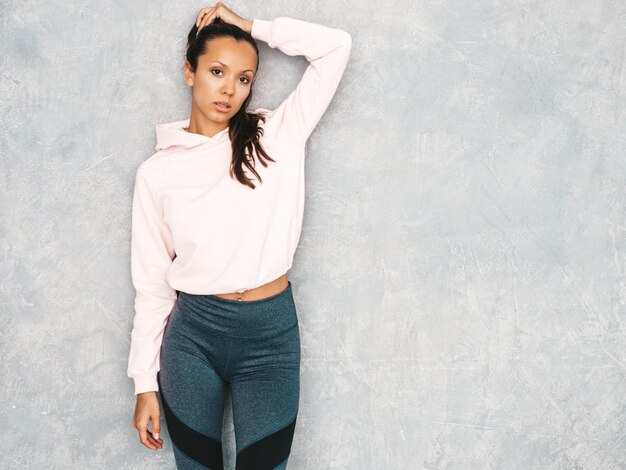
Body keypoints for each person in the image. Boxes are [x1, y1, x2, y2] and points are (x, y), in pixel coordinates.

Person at [127, 3, 352, 469]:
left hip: (270, 337)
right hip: (193, 338)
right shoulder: (157, 173)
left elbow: (335, 47)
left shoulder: (276, 135)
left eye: (244, 78)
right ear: (189, 73)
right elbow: (152, 286)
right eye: (216, 71)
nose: (229, 89)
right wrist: (143, 382)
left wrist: (252, 26)